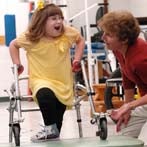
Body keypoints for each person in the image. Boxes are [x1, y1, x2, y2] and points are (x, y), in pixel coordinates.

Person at [9, 3, 85, 142]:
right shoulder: (31, 38)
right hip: (41, 80)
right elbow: (13, 44)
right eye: (54, 18)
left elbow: (80, 41)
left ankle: (52, 133)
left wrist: (77, 59)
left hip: (63, 82)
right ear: (42, 22)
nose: (59, 22)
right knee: (45, 95)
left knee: (57, 123)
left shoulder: (67, 33)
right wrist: (17, 63)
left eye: (60, 18)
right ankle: (49, 129)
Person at [98, 10, 147, 138]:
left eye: (108, 34)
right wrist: (128, 109)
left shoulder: (140, 60)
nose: (103, 38)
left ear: (124, 39)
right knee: (125, 134)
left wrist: (129, 105)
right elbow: (127, 79)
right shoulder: (118, 50)